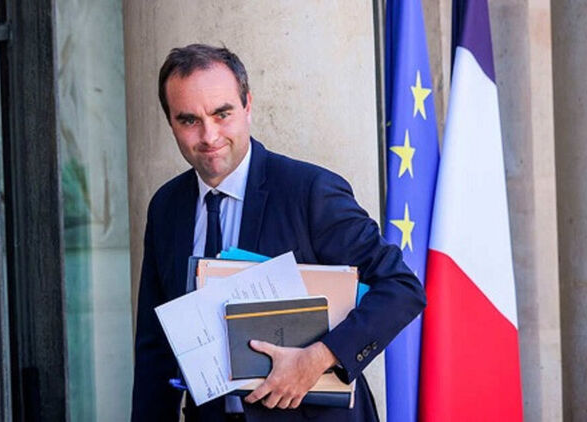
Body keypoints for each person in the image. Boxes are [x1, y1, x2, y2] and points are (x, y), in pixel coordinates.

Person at [131, 44, 426, 422]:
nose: (209, 135)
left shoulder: (310, 192)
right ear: (170, 122)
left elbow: (401, 287)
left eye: (222, 114)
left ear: (248, 106)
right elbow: (155, 347)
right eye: (189, 120)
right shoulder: (166, 207)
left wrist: (318, 358)